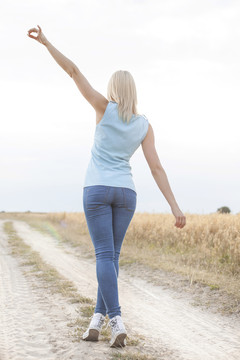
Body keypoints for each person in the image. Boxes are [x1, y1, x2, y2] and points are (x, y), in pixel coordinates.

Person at [27, 25, 186, 348]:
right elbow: (156, 167)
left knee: (103, 256)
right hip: (126, 193)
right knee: (110, 259)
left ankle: (116, 320)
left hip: (98, 189)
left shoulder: (102, 107)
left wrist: (46, 42)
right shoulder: (144, 125)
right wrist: (174, 205)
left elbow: (73, 71)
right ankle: (96, 322)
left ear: (113, 88)